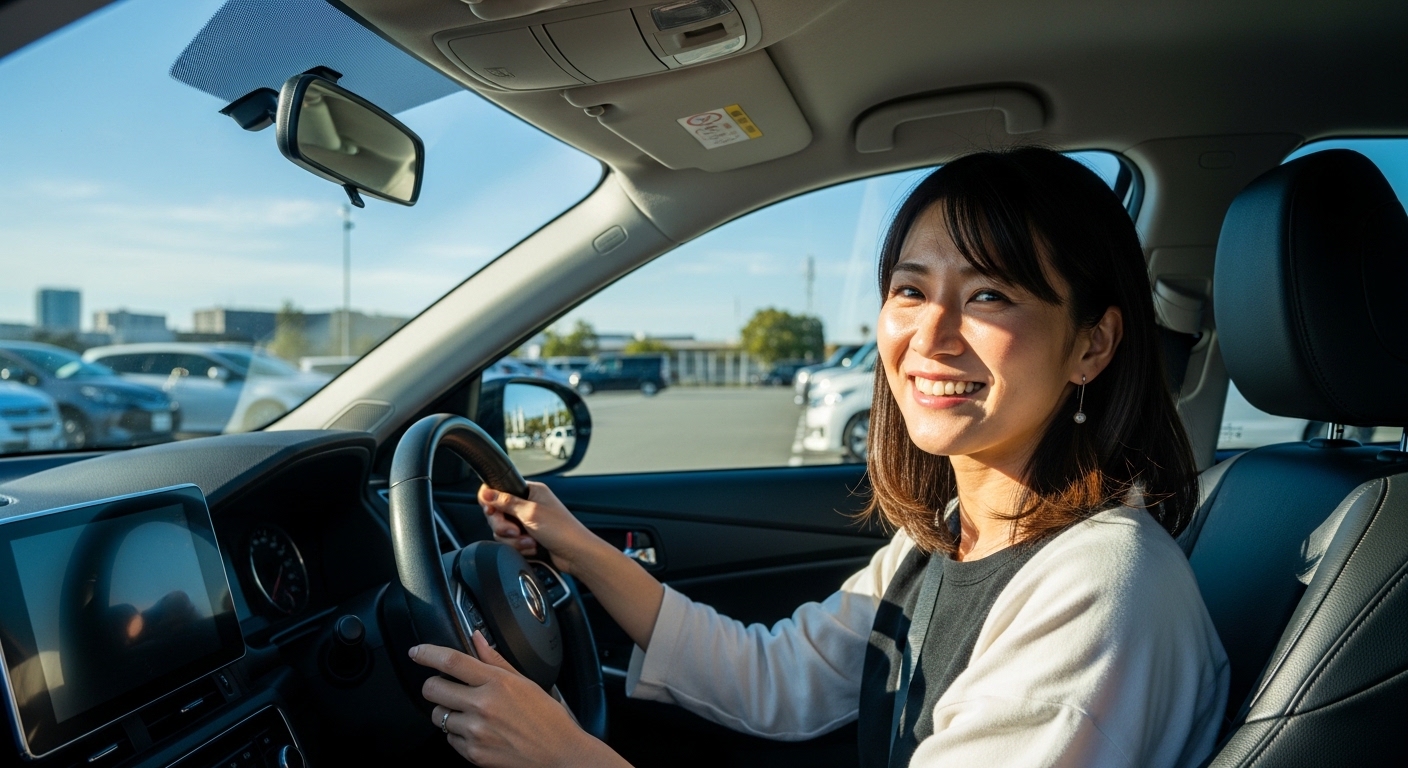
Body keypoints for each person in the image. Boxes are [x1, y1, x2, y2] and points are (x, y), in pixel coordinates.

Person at [408, 147, 1230, 768]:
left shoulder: (1104, 585)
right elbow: (779, 676)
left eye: (989, 295)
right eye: (910, 289)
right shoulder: (950, 534)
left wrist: (567, 757)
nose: (930, 337)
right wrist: (582, 552)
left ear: (1092, 344)